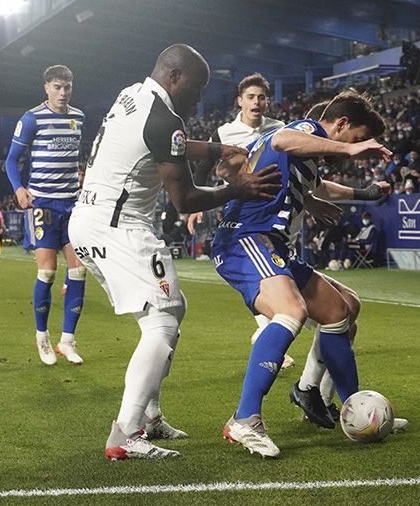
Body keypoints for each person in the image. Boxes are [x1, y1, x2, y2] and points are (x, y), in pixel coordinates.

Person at [68, 44, 281, 460]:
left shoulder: (132, 95)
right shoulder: (165, 119)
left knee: (172, 308)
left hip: (89, 221)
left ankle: (149, 415)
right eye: (197, 88)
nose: (198, 99)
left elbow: (170, 144)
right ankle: (125, 433)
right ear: (175, 77)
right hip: (119, 227)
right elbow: (185, 200)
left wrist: (219, 150)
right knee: (162, 320)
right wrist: (236, 189)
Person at [211, 88, 394, 457]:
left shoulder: (307, 157)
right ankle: (244, 419)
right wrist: (349, 150)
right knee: (291, 311)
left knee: (340, 310)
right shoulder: (304, 130)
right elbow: (281, 139)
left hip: (274, 244)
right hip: (246, 238)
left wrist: (365, 193)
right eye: (357, 138)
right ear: (342, 124)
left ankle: (353, 408)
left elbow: (318, 185)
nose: (356, 149)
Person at [186, 73, 295, 367]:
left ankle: (269, 326)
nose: (256, 102)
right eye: (250, 97)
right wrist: (196, 205)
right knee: (258, 272)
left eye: (261, 97)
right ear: (240, 101)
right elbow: (203, 168)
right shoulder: (224, 133)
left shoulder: (279, 129)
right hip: (241, 209)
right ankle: (269, 328)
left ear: (267, 101)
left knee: (275, 269)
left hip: (275, 209)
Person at [5, 65, 87, 366]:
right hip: (43, 205)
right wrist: (19, 188)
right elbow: (11, 160)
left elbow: (76, 158)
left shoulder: (79, 117)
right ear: (46, 88)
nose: (63, 93)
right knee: (48, 272)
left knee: (79, 271)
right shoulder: (32, 118)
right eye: (57, 87)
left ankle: (68, 341)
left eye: (67, 87)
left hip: (72, 204)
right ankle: (42, 336)